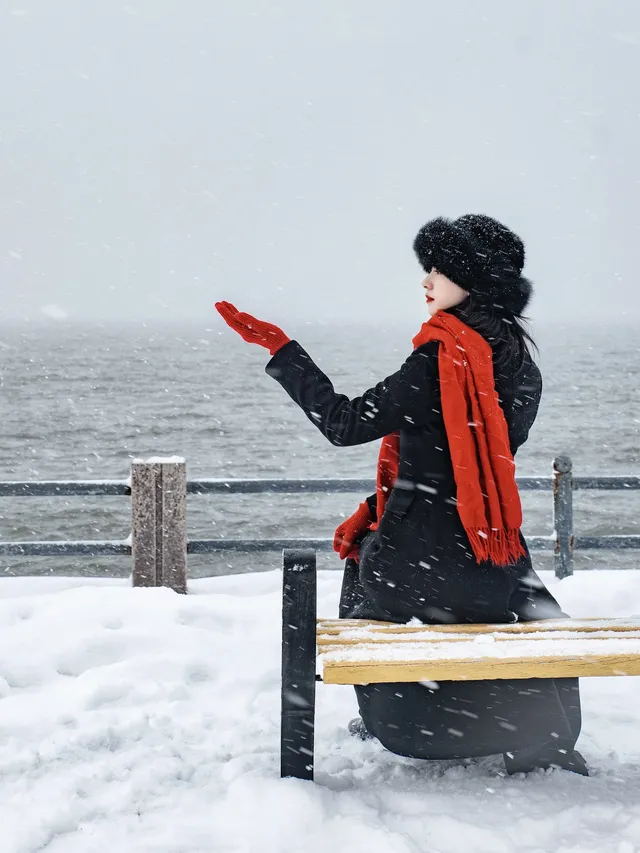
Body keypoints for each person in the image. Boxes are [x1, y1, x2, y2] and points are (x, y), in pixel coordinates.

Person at [215, 213, 588, 776]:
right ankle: (537, 735)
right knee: (533, 614)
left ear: (472, 279)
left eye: (437, 269)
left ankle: (389, 713)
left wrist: (282, 349)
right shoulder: (520, 364)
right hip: (494, 556)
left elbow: (342, 422)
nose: (426, 281)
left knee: (361, 564)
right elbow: (472, 461)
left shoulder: (441, 360)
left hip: (419, 561)